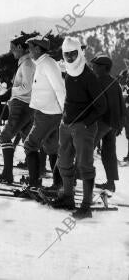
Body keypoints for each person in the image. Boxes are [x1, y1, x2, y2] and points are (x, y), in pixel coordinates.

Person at [52, 37, 107, 219]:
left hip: (83, 127)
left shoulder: (89, 76)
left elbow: (102, 106)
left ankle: (86, 206)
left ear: (80, 52)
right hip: (66, 124)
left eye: (73, 53)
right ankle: (68, 197)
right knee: (64, 162)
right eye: (66, 54)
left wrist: (85, 123)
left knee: (84, 165)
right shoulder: (68, 71)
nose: (69, 57)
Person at [0, 32, 37, 183]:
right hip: (25, 104)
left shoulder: (28, 64)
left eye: (13, 48)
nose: (12, 51)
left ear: (19, 47)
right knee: (29, 141)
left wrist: (10, 91)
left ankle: (7, 174)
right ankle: (34, 177)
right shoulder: (25, 63)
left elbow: (27, 87)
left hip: (22, 104)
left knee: (5, 136)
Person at [22, 35, 65, 188]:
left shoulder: (47, 64)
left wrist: (65, 112)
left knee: (30, 145)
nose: (29, 50)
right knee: (52, 148)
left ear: (38, 49)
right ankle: (58, 183)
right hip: (48, 113)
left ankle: (34, 183)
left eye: (31, 47)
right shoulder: (43, 63)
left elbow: (60, 88)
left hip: (48, 114)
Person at [91, 54, 125, 192]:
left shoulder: (97, 81)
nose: (93, 67)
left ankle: (74, 179)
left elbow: (95, 104)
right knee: (109, 153)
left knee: (85, 149)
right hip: (112, 124)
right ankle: (110, 183)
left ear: (103, 68)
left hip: (101, 123)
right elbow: (122, 105)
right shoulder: (114, 83)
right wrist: (119, 124)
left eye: (96, 65)